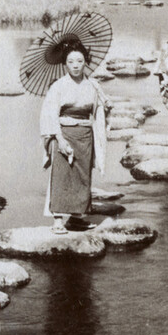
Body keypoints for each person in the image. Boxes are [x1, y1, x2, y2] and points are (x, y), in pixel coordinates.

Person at [40, 40, 110, 234]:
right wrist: (60, 140)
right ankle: (58, 220)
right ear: (65, 64)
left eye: (80, 61)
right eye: (71, 62)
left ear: (85, 62)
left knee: (83, 176)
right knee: (62, 177)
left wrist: (106, 107)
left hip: (85, 134)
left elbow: (99, 110)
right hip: (64, 133)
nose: (76, 65)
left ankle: (77, 218)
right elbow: (50, 114)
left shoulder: (93, 85)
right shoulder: (59, 86)